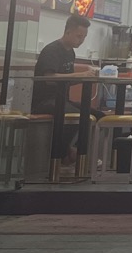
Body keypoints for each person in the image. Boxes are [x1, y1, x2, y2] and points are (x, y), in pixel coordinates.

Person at [32, 14, 92, 173]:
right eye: (79, 36)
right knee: (76, 117)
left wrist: (85, 77)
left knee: (95, 115)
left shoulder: (70, 53)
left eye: (84, 37)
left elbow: (67, 79)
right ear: (68, 32)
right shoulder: (51, 50)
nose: (81, 40)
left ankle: (75, 153)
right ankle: (61, 156)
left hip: (62, 100)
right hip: (44, 101)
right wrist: (81, 75)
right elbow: (49, 78)